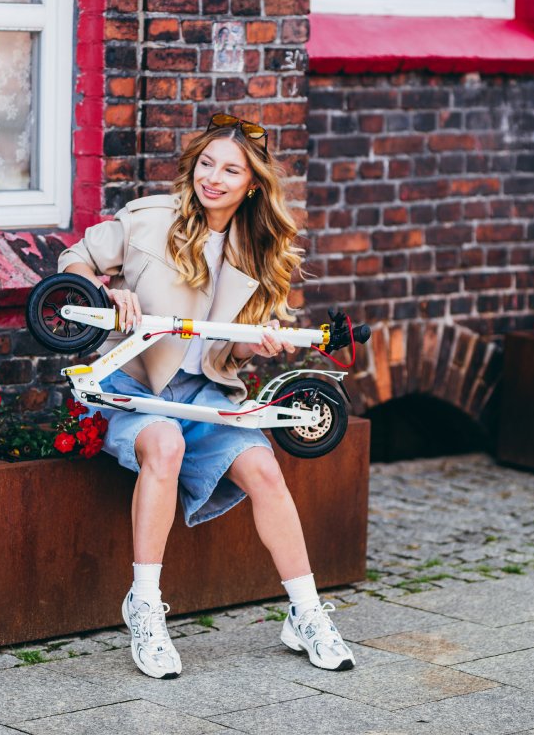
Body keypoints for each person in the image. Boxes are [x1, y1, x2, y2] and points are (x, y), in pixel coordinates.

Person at [57, 113, 356, 679]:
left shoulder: (260, 251)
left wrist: (254, 347)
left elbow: (228, 352)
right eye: (207, 164)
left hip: (202, 392)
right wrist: (105, 289)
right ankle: (145, 606)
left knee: (264, 469)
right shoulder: (150, 218)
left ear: (253, 184)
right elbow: (74, 260)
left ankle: (306, 613)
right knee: (164, 444)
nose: (213, 178)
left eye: (231, 170)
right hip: (129, 383)